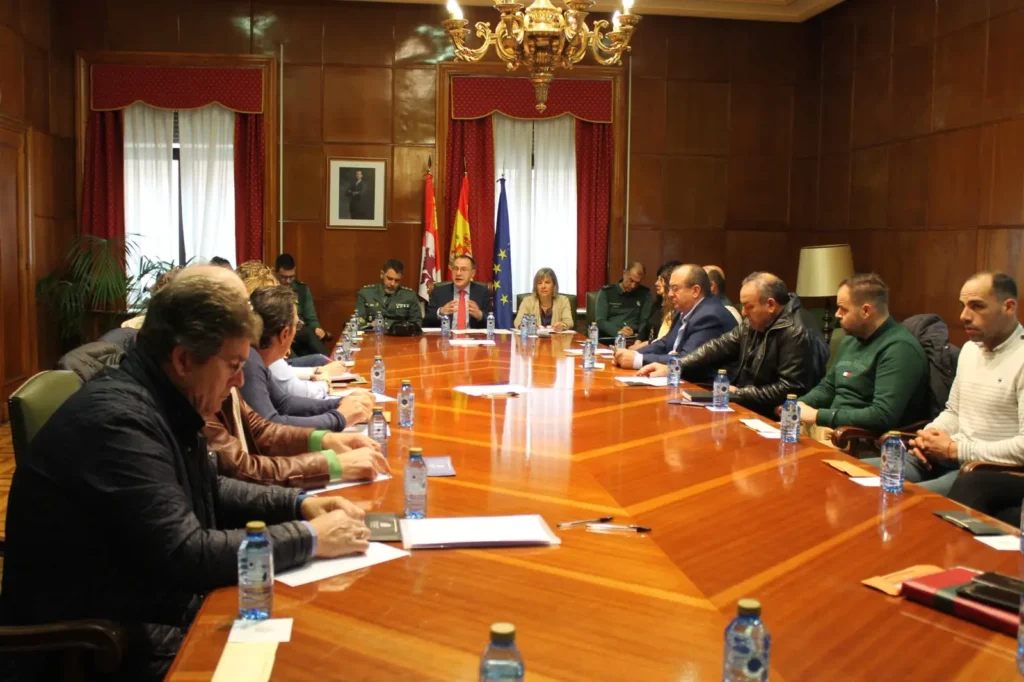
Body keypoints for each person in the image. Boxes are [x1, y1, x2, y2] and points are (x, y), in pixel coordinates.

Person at [0, 267, 371, 681]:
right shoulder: (118, 423)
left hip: (148, 609)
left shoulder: (166, 397)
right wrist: (311, 539)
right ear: (183, 359)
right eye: (232, 364)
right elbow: (184, 553)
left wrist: (302, 505)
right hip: (98, 647)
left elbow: (211, 487)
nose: (239, 380)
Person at [875, 272, 1024, 495]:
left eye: (977, 306)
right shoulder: (970, 349)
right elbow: (954, 412)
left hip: (988, 472)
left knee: (904, 499)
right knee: (863, 474)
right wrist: (929, 435)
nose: (964, 315)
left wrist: (955, 450)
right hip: (949, 455)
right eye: (963, 305)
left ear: (1009, 307)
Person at [638, 272, 828, 417]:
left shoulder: (796, 331)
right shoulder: (756, 321)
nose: (743, 313)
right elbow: (718, 346)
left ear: (770, 305)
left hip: (777, 415)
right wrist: (674, 366)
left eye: (749, 306)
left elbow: (789, 389)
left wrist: (740, 394)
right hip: (747, 403)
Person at [798, 274, 929, 441]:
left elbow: (882, 416)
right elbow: (828, 388)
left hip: (861, 441)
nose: (837, 314)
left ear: (866, 311)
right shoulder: (850, 340)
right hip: (831, 430)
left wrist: (817, 415)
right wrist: (797, 406)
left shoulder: (900, 349)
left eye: (843, 309)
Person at [241, 285, 374, 431]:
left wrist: (341, 403)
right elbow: (270, 426)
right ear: (285, 334)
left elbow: (285, 403)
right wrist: (339, 418)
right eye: (297, 325)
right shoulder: (250, 360)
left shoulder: (257, 357)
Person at [206, 388, 389, 490]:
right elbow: (242, 471)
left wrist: (324, 440)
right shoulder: (196, 403)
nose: (241, 381)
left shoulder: (219, 381)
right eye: (234, 366)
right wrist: (332, 464)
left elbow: (260, 430)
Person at [613, 264, 737, 372]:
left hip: (708, 387)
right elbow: (666, 342)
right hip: (680, 377)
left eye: (675, 289)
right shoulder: (683, 310)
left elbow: (687, 359)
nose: (670, 294)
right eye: (670, 288)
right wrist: (634, 353)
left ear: (695, 291)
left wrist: (638, 360)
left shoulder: (710, 316)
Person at [275, 253, 328, 357]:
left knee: (309, 337)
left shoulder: (301, 289)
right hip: (282, 330)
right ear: (276, 273)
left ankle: (327, 361)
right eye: (284, 277)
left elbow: (310, 316)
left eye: (291, 277)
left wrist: (316, 327)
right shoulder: (271, 289)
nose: (288, 281)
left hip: (300, 329)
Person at [425, 255, 491, 329]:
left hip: (473, 338)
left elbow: (491, 322)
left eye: (463, 269)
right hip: (447, 337)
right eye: (455, 269)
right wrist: (441, 311)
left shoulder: (482, 292)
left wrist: (480, 315)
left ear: (472, 273)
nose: (458, 273)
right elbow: (427, 320)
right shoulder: (439, 291)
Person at [595, 261, 654, 341]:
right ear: (624, 273)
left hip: (632, 339)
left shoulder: (645, 294)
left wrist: (634, 331)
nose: (633, 286)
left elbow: (644, 321)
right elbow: (601, 321)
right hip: (610, 338)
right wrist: (619, 332)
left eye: (637, 283)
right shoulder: (607, 292)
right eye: (631, 280)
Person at [356, 258, 423, 328]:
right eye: (389, 279)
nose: (392, 284)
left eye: (397, 280)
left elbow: (417, 323)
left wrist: (385, 324)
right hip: (372, 335)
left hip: (399, 336)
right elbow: (359, 321)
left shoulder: (409, 296)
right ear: (382, 274)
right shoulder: (366, 294)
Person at [632, 260, 682, 350]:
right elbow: (646, 327)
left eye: (661, 280)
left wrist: (640, 349)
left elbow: (664, 341)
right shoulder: (658, 304)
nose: (656, 283)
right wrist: (638, 341)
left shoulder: (677, 309)